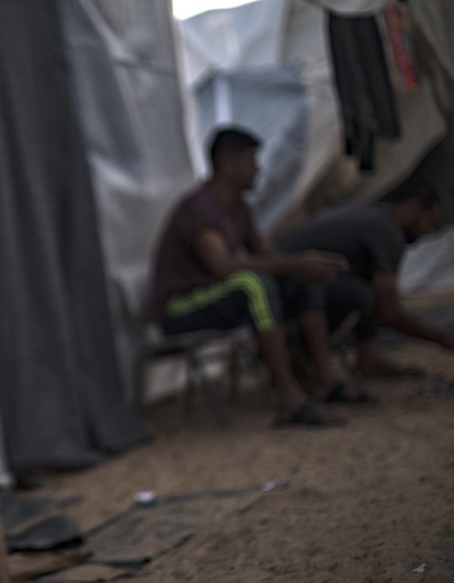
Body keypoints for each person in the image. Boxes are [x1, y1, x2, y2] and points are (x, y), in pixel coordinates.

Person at [150, 126, 367, 428]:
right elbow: (223, 267)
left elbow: (268, 257)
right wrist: (294, 263)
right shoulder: (199, 207)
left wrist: (303, 266)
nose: (258, 169)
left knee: (298, 280)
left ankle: (326, 380)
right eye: (252, 160)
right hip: (180, 307)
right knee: (254, 284)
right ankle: (289, 399)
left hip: (216, 296)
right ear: (229, 164)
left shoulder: (238, 207)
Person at [274, 180, 453, 377]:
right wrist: (440, 337)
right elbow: (389, 312)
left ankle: (367, 354)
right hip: (291, 282)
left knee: (365, 281)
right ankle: (300, 354)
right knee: (361, 294)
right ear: (414, 206)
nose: (426, 232)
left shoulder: (368, 209)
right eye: (428, 223)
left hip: (279, 275)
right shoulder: (386, 230)